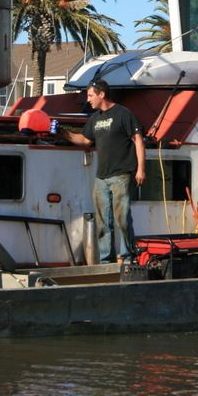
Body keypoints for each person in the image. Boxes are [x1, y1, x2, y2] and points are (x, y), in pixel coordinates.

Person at [62, 80, 146, 262]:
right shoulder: (95, 118)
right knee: (102, 222)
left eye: (90, 95)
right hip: (101, 177)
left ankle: (127, 257)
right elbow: (85, 140)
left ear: (102, 94)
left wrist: (141, 169)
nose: (88, 100)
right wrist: (63, 133)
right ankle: (106, 260)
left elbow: (138, 140)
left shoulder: (123, 114)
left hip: (122, 174)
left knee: (122, 218)